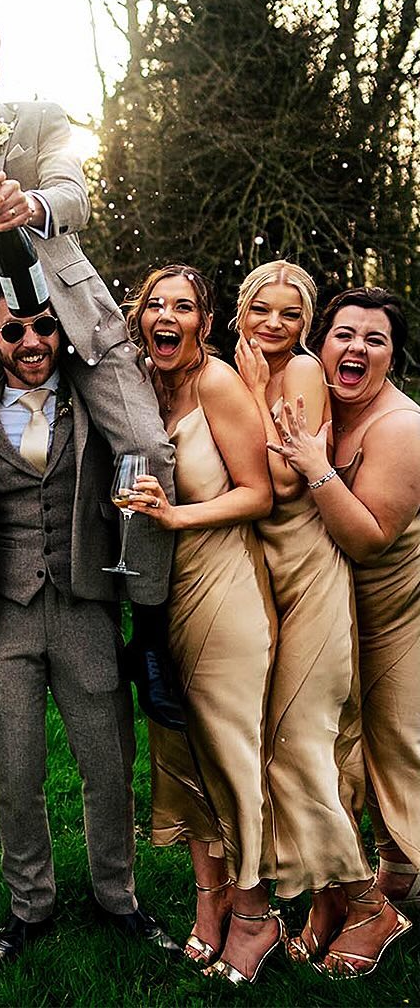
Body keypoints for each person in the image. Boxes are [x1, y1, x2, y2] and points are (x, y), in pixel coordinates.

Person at [0, 6, 178, 733]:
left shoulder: (43, 118)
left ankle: (148, 633)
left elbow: (75, 195)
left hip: (76, 318)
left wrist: (30, 204)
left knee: (146, 448)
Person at [0, 278, 180, 964]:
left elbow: (142, 441)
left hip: (85, 607)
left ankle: (118, 897)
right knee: (16, 773)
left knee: (109, 766)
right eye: (14, 330)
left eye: (45, 327)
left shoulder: (92, 399)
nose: (32, 342)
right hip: (2, 618)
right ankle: (30, 905)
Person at [123, 266, 281, 985]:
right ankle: (209, 899)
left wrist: (175, 516)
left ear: (204, 324)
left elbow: (260, 492)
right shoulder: (140, 385)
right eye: (155, 303)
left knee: (228, 752)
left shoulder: (216, 384)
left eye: (182, 306)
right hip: (162, 592)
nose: (166, 315)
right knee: (179, 752)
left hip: (223, 587)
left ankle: (255, 915)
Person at [231, 261, 373, 966]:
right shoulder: (233, 366)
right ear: (242, 309)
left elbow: (288, 480)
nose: (274, 324)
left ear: (307, 323)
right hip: (265, 571)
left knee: (300, 739)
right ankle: (327, 902)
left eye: (290, 314)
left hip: (311, 568)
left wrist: (259, 394)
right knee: (281, 741)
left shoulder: (303, 373)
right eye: (263, 308)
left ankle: (369, 900)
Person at [271, 287, 415, 978]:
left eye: (375, 339)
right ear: (321, 343)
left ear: (393, 357)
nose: (356, 347)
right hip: (335, 608)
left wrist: (315, 467)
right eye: (344, 334)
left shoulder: (402, 428)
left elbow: (370, 538)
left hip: (397, 614)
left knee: (397, 752)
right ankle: (343, 895)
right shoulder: (319, 406)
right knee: (332, 755)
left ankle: (383, 895)